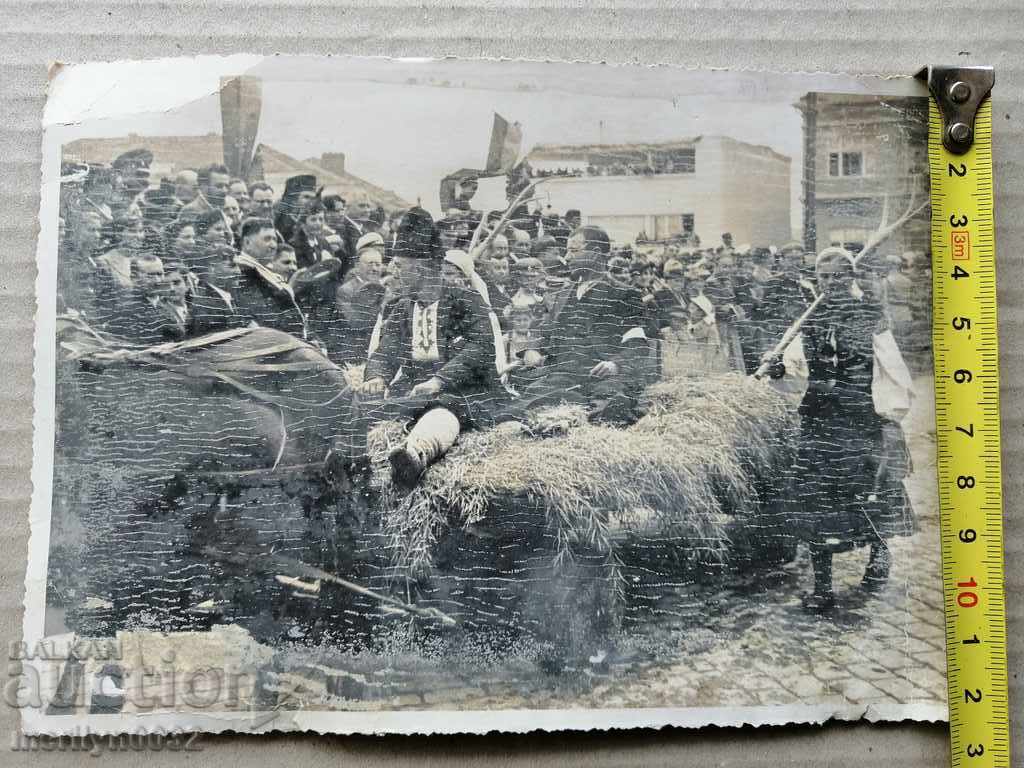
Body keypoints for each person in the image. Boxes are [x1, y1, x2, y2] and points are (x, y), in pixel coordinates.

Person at [764, 247, 915, 611]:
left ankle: (879, 557)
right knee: (817, 501)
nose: (830, 283)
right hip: (819, 421)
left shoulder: (870, 315)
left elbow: (892, 370)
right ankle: (822, 588)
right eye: (823, 277)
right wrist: (778, 369)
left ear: (850, 278)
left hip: (860, 420)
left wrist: (888, 417)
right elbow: (797, 371)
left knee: (870, 494)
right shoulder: (809, 317)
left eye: (837, 276)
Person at [357, 207, 498, 489]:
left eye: (400, 266)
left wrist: (438, 381)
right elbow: (385, 351)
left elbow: (481, 348)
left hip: (463, 390)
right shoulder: (402, 308)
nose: (392, 272)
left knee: (444, 407)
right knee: (362, 411)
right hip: (414, 392)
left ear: (423, 267)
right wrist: (377, 376)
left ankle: (415, 454)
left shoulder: (466, 301)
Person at [515, 225, 650, 424]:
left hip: (603, 378)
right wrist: (531, 349)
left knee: (608, 405)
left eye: (573, 251)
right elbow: (544, 331)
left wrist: (615, 364)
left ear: (595, 253)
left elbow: (637, 344)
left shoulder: (624, 294)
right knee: (527, 403)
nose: (567, 257)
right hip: (563, 375)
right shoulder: (563, 295)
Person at [232, 218, 307, 338]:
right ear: (247, 242)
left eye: (275, 239)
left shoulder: (262, 270)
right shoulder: (243, 270)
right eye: (267, 239)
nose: (273, 245)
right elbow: (263, 315)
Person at [335, 234, 387, 363]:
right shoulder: (346, 290)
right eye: (370, 264)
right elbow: (355, 322)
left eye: (378, 265)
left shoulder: (387, 289)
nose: (374, 269)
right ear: (357, 265)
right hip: (355, 353)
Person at [274, 174, 317, 245]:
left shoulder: (310, 216)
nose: (311, 202)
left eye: (313, 198)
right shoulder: (279, 216)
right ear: (293, 199)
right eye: (306, 197)